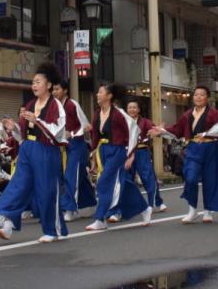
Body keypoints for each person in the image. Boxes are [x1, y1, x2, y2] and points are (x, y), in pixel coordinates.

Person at [0, 63, 69, 242]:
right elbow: (24, 133)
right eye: (33, 82)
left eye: (38, 82)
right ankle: (7, 224)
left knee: (46, 191)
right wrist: (15, 128)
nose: (34, 85)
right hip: (27, 149)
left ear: (48, 85)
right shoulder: (30, 104)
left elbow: (57, 132)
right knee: (18, 185)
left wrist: (38, 120)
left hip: (46, 151)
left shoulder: (56, 105)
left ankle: (52, 229)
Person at [149, 84, 218, 224]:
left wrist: (206, 134)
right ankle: (192, 209)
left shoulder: (215, 113)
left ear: (207, 97)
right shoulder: (187, 115)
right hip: (193, 148)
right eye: (196, 94)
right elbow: (177, 130)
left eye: (202, 94)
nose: (198, 97)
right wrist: (162, 131)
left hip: (210, 148)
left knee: (210, 179)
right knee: (190, 177)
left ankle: (208, 210)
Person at [86, 83, 150, 231]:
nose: (97, 95)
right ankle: (144, 208)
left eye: (101, 92)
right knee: (123, 183)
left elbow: (134, 130)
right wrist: (93, 153)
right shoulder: (97, 113)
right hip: (103, 151)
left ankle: (100, 218)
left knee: (103, 182)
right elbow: (95, 136)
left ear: (109, 96)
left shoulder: (119, 113)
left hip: (117, 151)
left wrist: (130, 154)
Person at [51, 81, 96, 222]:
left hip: (77, 145)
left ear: (65, 90)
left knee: (71, 176)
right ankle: (90, 204)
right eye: (53, 89)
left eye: (57, 89)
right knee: (79, 178)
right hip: (64, 147)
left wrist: (71, 133)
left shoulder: (72, 104)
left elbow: (86, 125)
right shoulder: (55, 107)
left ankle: (69, 209)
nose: (54, 92)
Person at [124, 99, 165, 212]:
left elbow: (154, 131)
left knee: (148, 177)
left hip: (141, 152)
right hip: (127, 153)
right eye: (130, 107)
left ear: (138, 109)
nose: (132, 109)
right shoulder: (123, 121)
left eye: (134, 107)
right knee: (126, 179)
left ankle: (153, 203)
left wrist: (158, 131)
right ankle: (128, 204)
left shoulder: (145, 122)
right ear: (127, 110)